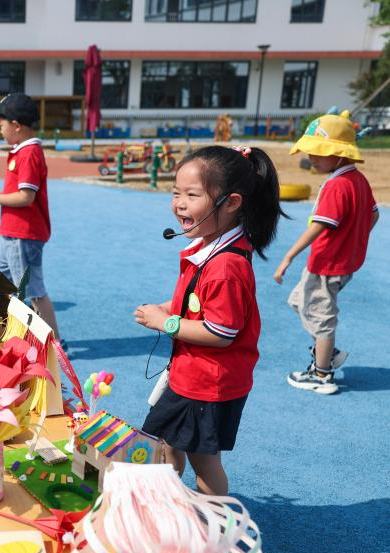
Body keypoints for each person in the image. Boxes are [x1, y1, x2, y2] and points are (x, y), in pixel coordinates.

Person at [134, 145, 284, 496]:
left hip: (208, 386)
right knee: (167, 444)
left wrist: (165, 322)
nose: (180, 203)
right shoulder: (210, 246)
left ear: (231, 203)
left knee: (204, 461)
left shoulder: (226, 266)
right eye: (175, 193)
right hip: (190, 375)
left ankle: (216, 529)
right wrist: (170, 306)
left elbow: (221, 332)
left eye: (192, 194)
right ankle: (170, 503)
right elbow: (197, 301)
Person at [274, 111, 379, 394]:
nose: (312, 158)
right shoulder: (358, 180)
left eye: (319, 153)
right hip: (341, 262)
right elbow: (374, 215)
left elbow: (319, 225)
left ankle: (322, 374)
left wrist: (289, 255)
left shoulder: (337, 185)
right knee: (300, 301)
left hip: (327, 263)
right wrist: (356, 238)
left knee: (321, 317)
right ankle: (327, 352)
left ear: (340, 153)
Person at [0, 93, 60, 340]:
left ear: (16, 125)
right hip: (12, 234)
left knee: (30, 290)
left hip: (22, 235)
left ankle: (52, 342)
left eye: (1, 125)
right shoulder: (21, 151)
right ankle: (6, 333)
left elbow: (26, 197)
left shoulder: (29, 153)